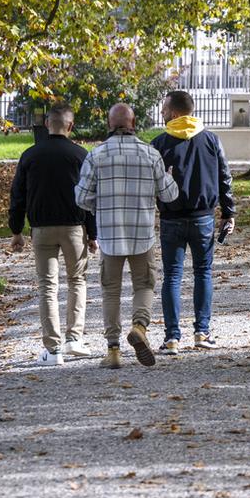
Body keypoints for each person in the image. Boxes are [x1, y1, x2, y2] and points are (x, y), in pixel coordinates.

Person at [75, 104, 179, 369]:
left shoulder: (95, 156)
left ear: (110, 125)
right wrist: (168, 178)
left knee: (111, 292)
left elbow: (81, 198)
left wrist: (102, 204)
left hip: (109, 236)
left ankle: (113, 351)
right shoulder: (150, 154)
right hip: (141, 233)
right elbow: (169, 195)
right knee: (145, 285)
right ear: (134, 124)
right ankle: (139, 326)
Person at [8, 104, 99, 365]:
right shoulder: (81, 155)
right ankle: (74, 339)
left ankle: (53, 348)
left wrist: (16, 230)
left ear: (47, 124)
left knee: (47, 286)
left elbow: (18, 196)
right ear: (70, 126)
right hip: (74, 228)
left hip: (42, 229)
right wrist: (92, 234)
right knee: (77, 281)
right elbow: (89, 198)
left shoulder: (30, 155)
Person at [151, 90, 237, 354]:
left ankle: (172, 337)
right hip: (203, 217)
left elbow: (151, 181)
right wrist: (229, 212)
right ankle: (202, 332)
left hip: (172, 217)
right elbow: (224, 176)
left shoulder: (160, 143)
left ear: (175, 112)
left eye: (165, 109)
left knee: (173, 277)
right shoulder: (211, 139)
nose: (163, 114)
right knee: (203, 273)